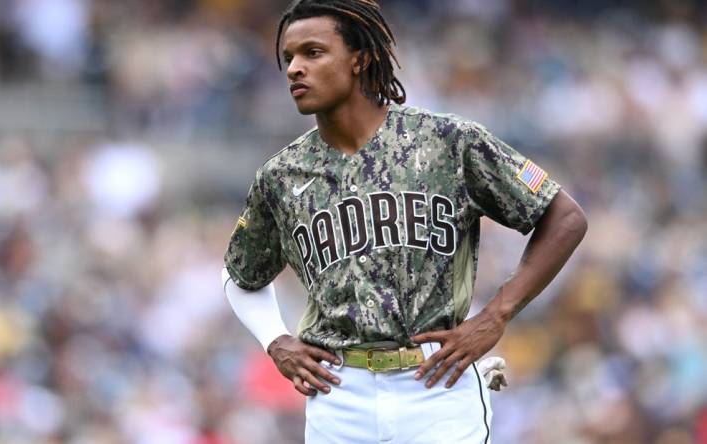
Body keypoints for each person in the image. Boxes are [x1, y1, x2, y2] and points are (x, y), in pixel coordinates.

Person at [221, 0, 588, 442]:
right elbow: (241, 275)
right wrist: (275, 341)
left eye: (313, 53)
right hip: (339, 392)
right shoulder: (281, 175)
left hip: (436, 382)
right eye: (288, 59)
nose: (295, 69)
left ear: (360, 58)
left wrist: (497, 314)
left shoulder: (447, 141)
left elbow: (564, 217)